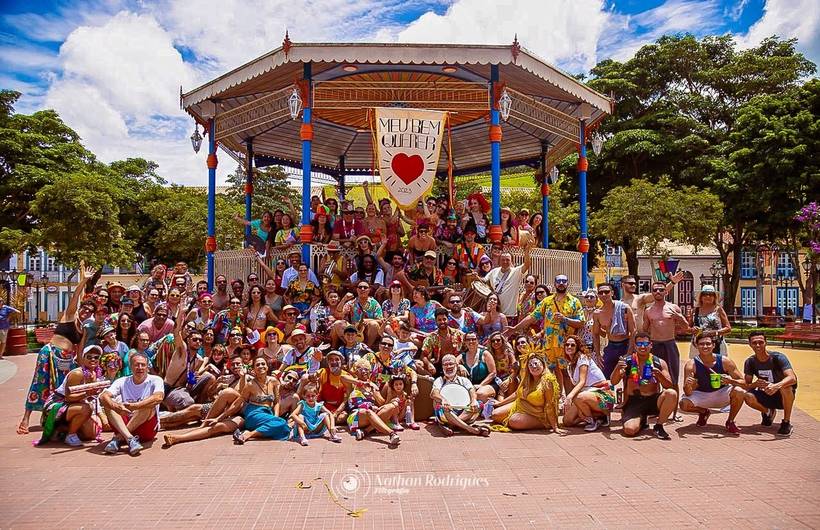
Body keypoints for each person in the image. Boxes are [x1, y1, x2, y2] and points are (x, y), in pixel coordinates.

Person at [18, 263, 96, 435]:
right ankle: (26, 418)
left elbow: (79, 352)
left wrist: (85, 370)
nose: (86, 311)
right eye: (85, 308)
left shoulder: (83, 330)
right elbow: (75, 296)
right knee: (39, 383)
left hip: (67, 360)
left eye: (90, 311)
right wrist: (83, 281)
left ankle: (51, 416)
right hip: (51, 353)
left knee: (61, 389)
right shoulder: (69, 316)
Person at [509, 274, 584, 395]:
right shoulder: (547, 301)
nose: (561, 283)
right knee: (547, 374)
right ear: (554, 284)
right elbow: (532, 317)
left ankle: (570, 400)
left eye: (564, 281)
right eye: (558, 281)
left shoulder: (574, 302)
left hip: (565, 345)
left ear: (567, 284)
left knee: (566, 373)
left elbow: (581, 322)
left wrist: (565, 319)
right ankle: (553, 399)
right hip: (548, 344)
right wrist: (515, 328)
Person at [610, 332, 678, 440]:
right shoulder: (627, 362)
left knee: (672, 393)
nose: (643, 347)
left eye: (646, 344)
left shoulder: (659, 362)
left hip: (653, 400)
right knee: (630, 430)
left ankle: (659, 426)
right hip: (634, 402)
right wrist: (617, 368)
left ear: (651, 345)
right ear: (635, 346)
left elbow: (669, 385)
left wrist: (659, 375)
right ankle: (641, 421)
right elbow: (613, 382)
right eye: (639, 344)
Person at [35, 345, 105, 447]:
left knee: (92, 433)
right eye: (89, 357)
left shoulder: (94, 373)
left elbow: (89, 397)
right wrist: (87, 394)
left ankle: (62, 430)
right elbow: (68, 398)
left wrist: (94, 393)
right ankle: (70, 434)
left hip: (77, 403)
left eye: (96, 357)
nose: (93, 359)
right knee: (87, 409)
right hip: (58, 403)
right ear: (83, 358)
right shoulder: (77, 373)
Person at [643, 280, 693, 421]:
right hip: (654, 346)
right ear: (652, 292)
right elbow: (645, 330)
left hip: (670, 345)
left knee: (673, 379)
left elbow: (686, 328)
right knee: (653, 379)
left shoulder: (673, 308)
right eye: (655, 290)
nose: (658, 292)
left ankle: (674, 413)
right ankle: (655, 409)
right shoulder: (648, 311)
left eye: (661, 289)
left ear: (666, 291)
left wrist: (679, 317)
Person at [680, 334, 746, 434]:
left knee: (739, 391)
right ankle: (704, 412)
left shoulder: (725, 361)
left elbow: (743, 382)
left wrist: (731, 381)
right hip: (701, 394)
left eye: (708, 344)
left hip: (722, 393)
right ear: (696, 346)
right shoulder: (691, 364)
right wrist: (688, 385)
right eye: (701, 344)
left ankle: (730, 421)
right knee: (684, 404)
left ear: (713, 345)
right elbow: (688, 393)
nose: (705, 346)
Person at [100, 352, 164, 455]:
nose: (140, 368)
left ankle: (118, 438)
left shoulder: (156, 380)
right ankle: (130, 439)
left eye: (143, 365)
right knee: (109, 404)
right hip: (124, 422)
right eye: (136, 365)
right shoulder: (122, 381)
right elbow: (103, 396)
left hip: (146, 428)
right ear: (130, 367)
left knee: (149, 405)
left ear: (147, 367)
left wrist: (135, 406)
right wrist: (116, 406)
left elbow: (158, 397)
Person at [490, 349, 562, 433]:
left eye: (536, 363)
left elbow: (550, 405)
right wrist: (500, 403)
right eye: (530, 365)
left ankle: (545, 424)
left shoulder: (548, 380)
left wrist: (555, 426)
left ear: (543, 364)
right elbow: (517, 394)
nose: (534, 367)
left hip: (538, 414)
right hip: (519, 405)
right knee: (495, 415)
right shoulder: (527, 378)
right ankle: (515, 420)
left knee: (514, 421)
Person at [742, 331, 798, 436]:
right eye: (754, 343)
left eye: (760, 342)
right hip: (766, 393)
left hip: (782, 395)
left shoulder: (778, 358)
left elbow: (792, 378)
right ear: (749, 344)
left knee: (786, 387)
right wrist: (755, 384)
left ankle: (786, 422)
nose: (758, 345)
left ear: (766, 342)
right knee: (747, 395)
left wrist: (776, 386)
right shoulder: (750, 362)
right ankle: (768, 412)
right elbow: (747, 385)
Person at [232, 357, 291, 444]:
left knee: (283, 427)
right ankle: (248, 435)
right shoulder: (250, 385)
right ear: (253, 369)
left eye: (263, 364)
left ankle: (249, 433)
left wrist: (276, 416)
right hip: (253, 414)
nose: (261, 366)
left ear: (267, 367)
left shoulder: (274, 381)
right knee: (282, 423)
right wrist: (218, 418)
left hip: (267, 414)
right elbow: (237, 403)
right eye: (257, 365)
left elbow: (277, 402)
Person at [562, 336, 615, 432]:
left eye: (572, 345)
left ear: (577, 347)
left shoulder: (583, 358)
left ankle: (592, 420)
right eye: (567, 345)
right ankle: (598, 417)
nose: (569, 347)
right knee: (567, 421)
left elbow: (582, 381)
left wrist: (569, 397)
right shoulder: (570, 366)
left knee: (577, 397)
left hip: (606, 397)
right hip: (587, 395)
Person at [430, 354, 490, 437]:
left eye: (451, 364)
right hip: (447, 411)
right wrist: (443, 400)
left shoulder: (464, 380)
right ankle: (470, 429)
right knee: (438, 404)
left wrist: (473, 401)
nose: (448, 367)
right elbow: (433, 393)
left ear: (456, 365)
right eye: (445, 365)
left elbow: (472, 391)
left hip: (463, 411)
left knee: (479, 404)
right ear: (442, 367)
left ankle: (452, 425)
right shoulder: (439, 380)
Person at [345, 358, 401, 446]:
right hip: (357, 416)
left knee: (391, 406)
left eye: (366, 369)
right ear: (356, 371)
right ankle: (391, 433)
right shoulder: (352, 383)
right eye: (361, 369)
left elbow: (382, 403)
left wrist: (375, 394)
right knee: (368, 412)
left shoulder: (373, 386)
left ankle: (365, 431)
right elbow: (343, 377)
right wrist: (360, 383)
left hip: (372, 414)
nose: (364, 371)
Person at [593, 283, 635, 379]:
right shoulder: (597, 313)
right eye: (600, 292)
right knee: (605, 377)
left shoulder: (624, 308)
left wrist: (629, 352)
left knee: (629, 377)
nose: (603, 294)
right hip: (611, 346)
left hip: (626, 345)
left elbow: (633, 331)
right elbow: (595, 334)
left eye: (606, 292)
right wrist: (598, 354)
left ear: (612, 293)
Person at [485, 245, 532, 320]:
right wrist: (475, 276)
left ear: (511, 261)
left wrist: (527, 251)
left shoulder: (516, 272)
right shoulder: (494, 271)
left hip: (510, 315)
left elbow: (527, 265)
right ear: (499, 261)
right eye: (503, 260)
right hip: (495, 315)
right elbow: (484, 281)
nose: (505, 262)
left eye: (507, 260)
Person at [688, 285, 731, 358]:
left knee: (717, 363)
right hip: (698, 345)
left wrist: (714, 333)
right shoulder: (695, 310)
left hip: (716, 344)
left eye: (711, 295)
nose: (708, 296)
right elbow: (688, 328)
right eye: (705, 294)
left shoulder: (719, 310)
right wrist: (692, 330)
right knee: (697, 364)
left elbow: (728, 328)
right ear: (701, 297)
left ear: (714, 297)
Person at [420, 308, 465, 376]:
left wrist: (459, 359)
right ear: (436, 321)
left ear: (448, 319)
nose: (442, 322)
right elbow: (423, 355)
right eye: (439, 320)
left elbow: (467, 349)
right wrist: (429, 364)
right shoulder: (431, 337)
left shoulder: (458, 334)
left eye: (444, 319)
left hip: (456, 363)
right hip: (439, 366)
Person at [460, 332, 497, 401]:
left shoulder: (485, 354)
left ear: (477, 341)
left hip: (488, 384)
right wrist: (459, 366)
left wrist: (481, 385)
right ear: (465, 342)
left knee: (479, 394)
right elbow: (452, 362)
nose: (471, 341)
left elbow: (493, 373)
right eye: (468, 339)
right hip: (471, 386)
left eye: (473, 339)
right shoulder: (463, 355)